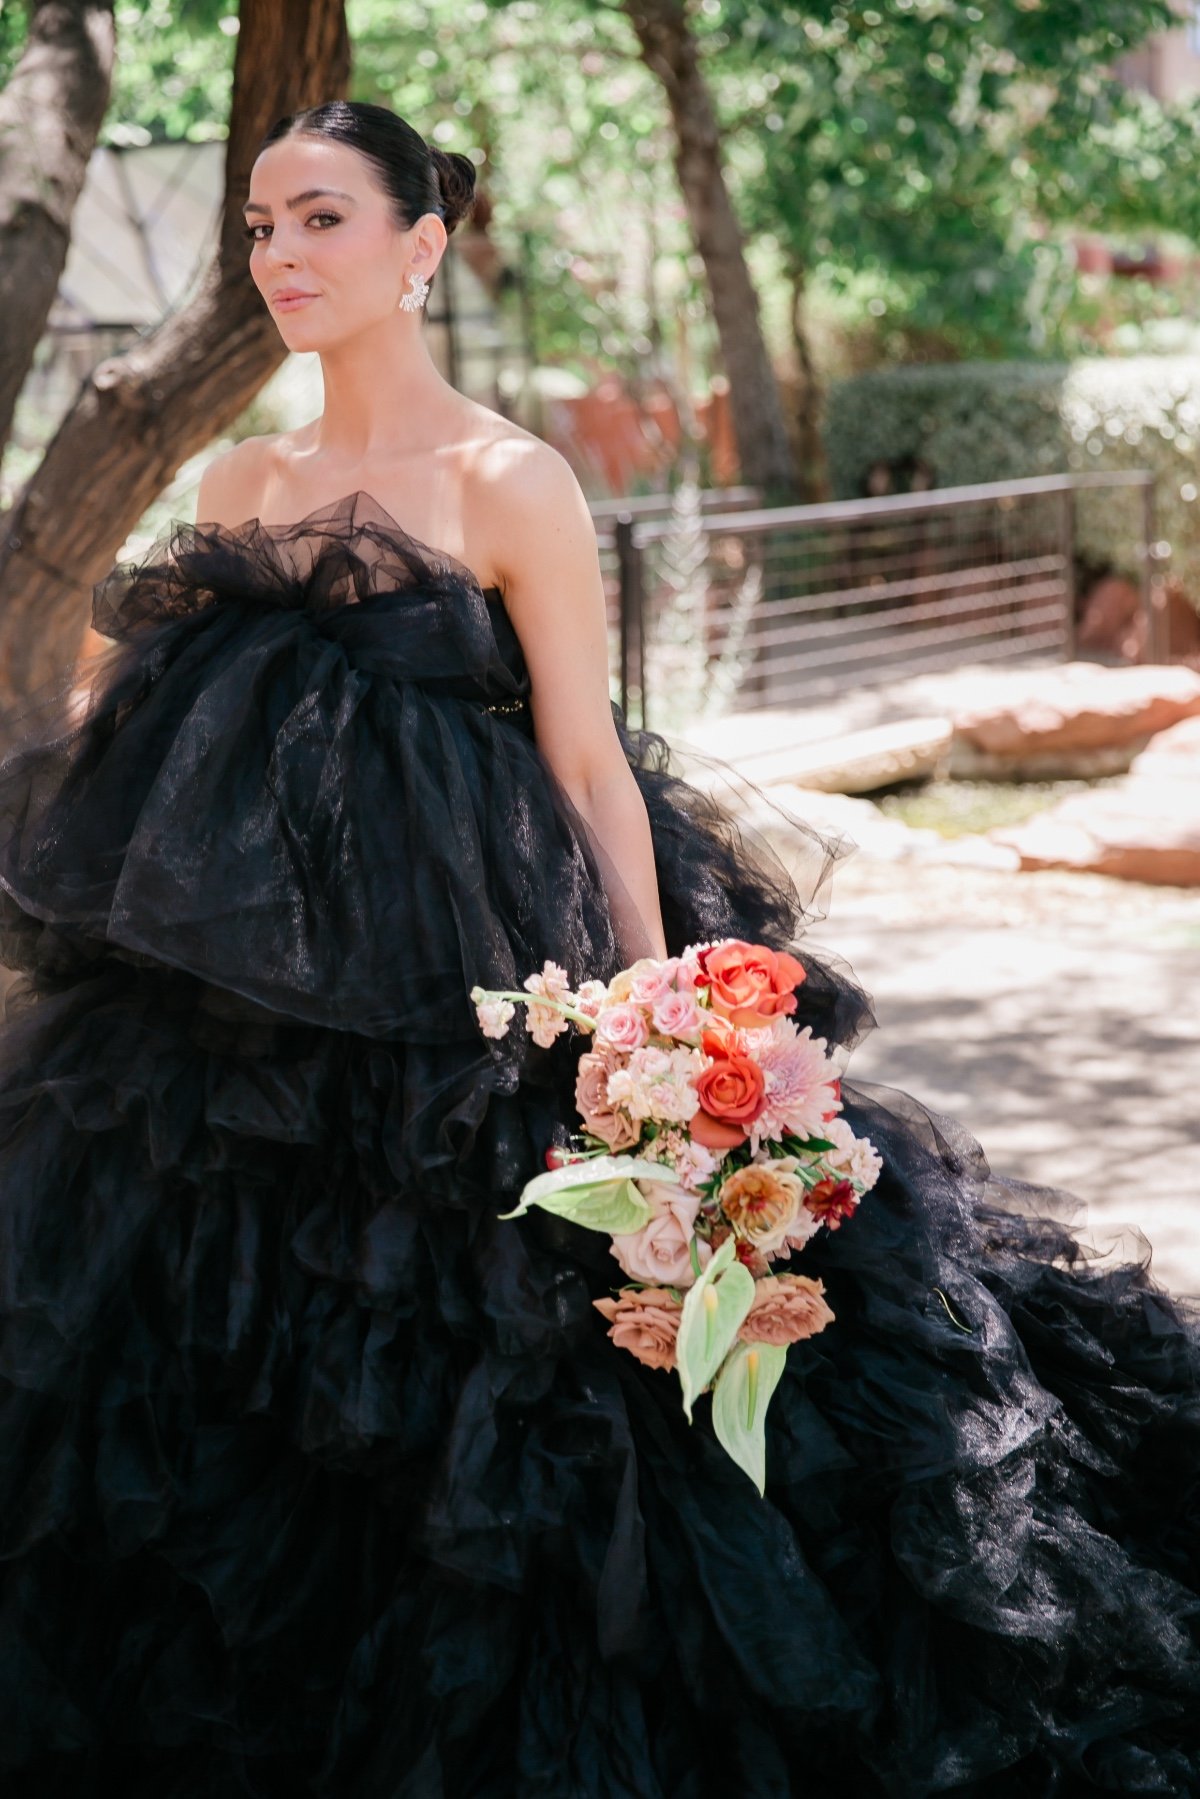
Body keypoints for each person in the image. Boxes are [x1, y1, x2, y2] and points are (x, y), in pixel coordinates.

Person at [0, 98, 1197, 1799]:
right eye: (261, 226)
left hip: (481, 981)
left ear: (423, 244)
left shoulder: (510, 478)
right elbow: (182, 750)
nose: (280, 256)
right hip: (240, 1021)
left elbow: (583, 759)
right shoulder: (241, 479)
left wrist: (664, 1008)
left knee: (523, 1359)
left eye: (322, 219)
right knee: (211, 1352)